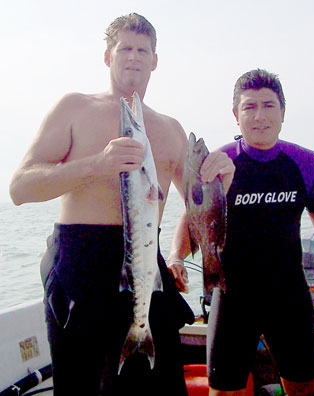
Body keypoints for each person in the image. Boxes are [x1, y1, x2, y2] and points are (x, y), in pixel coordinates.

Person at [9, 13, 236, 396]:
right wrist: (97, 165)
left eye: (142, 50)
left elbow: (196, 206)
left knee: (158, 384)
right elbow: (20, 187)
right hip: (80, 261)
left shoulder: (171, 128)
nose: (133, 57)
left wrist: (221, 185)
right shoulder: (73, 108)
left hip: (147, 263)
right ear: (107, 56)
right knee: (83, 384)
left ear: (155, 60)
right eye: (124, 48)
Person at [168, 69, 314, 396]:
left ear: (283, 112)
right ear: (235, 115)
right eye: (249, 107)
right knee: (223, 391)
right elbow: (192, 220)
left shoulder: (305, 163)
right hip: (231, 296)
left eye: (269, 106)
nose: (259, 116)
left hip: (288, 294)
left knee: (303, 388)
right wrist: (175, 256)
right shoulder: (220, 162)